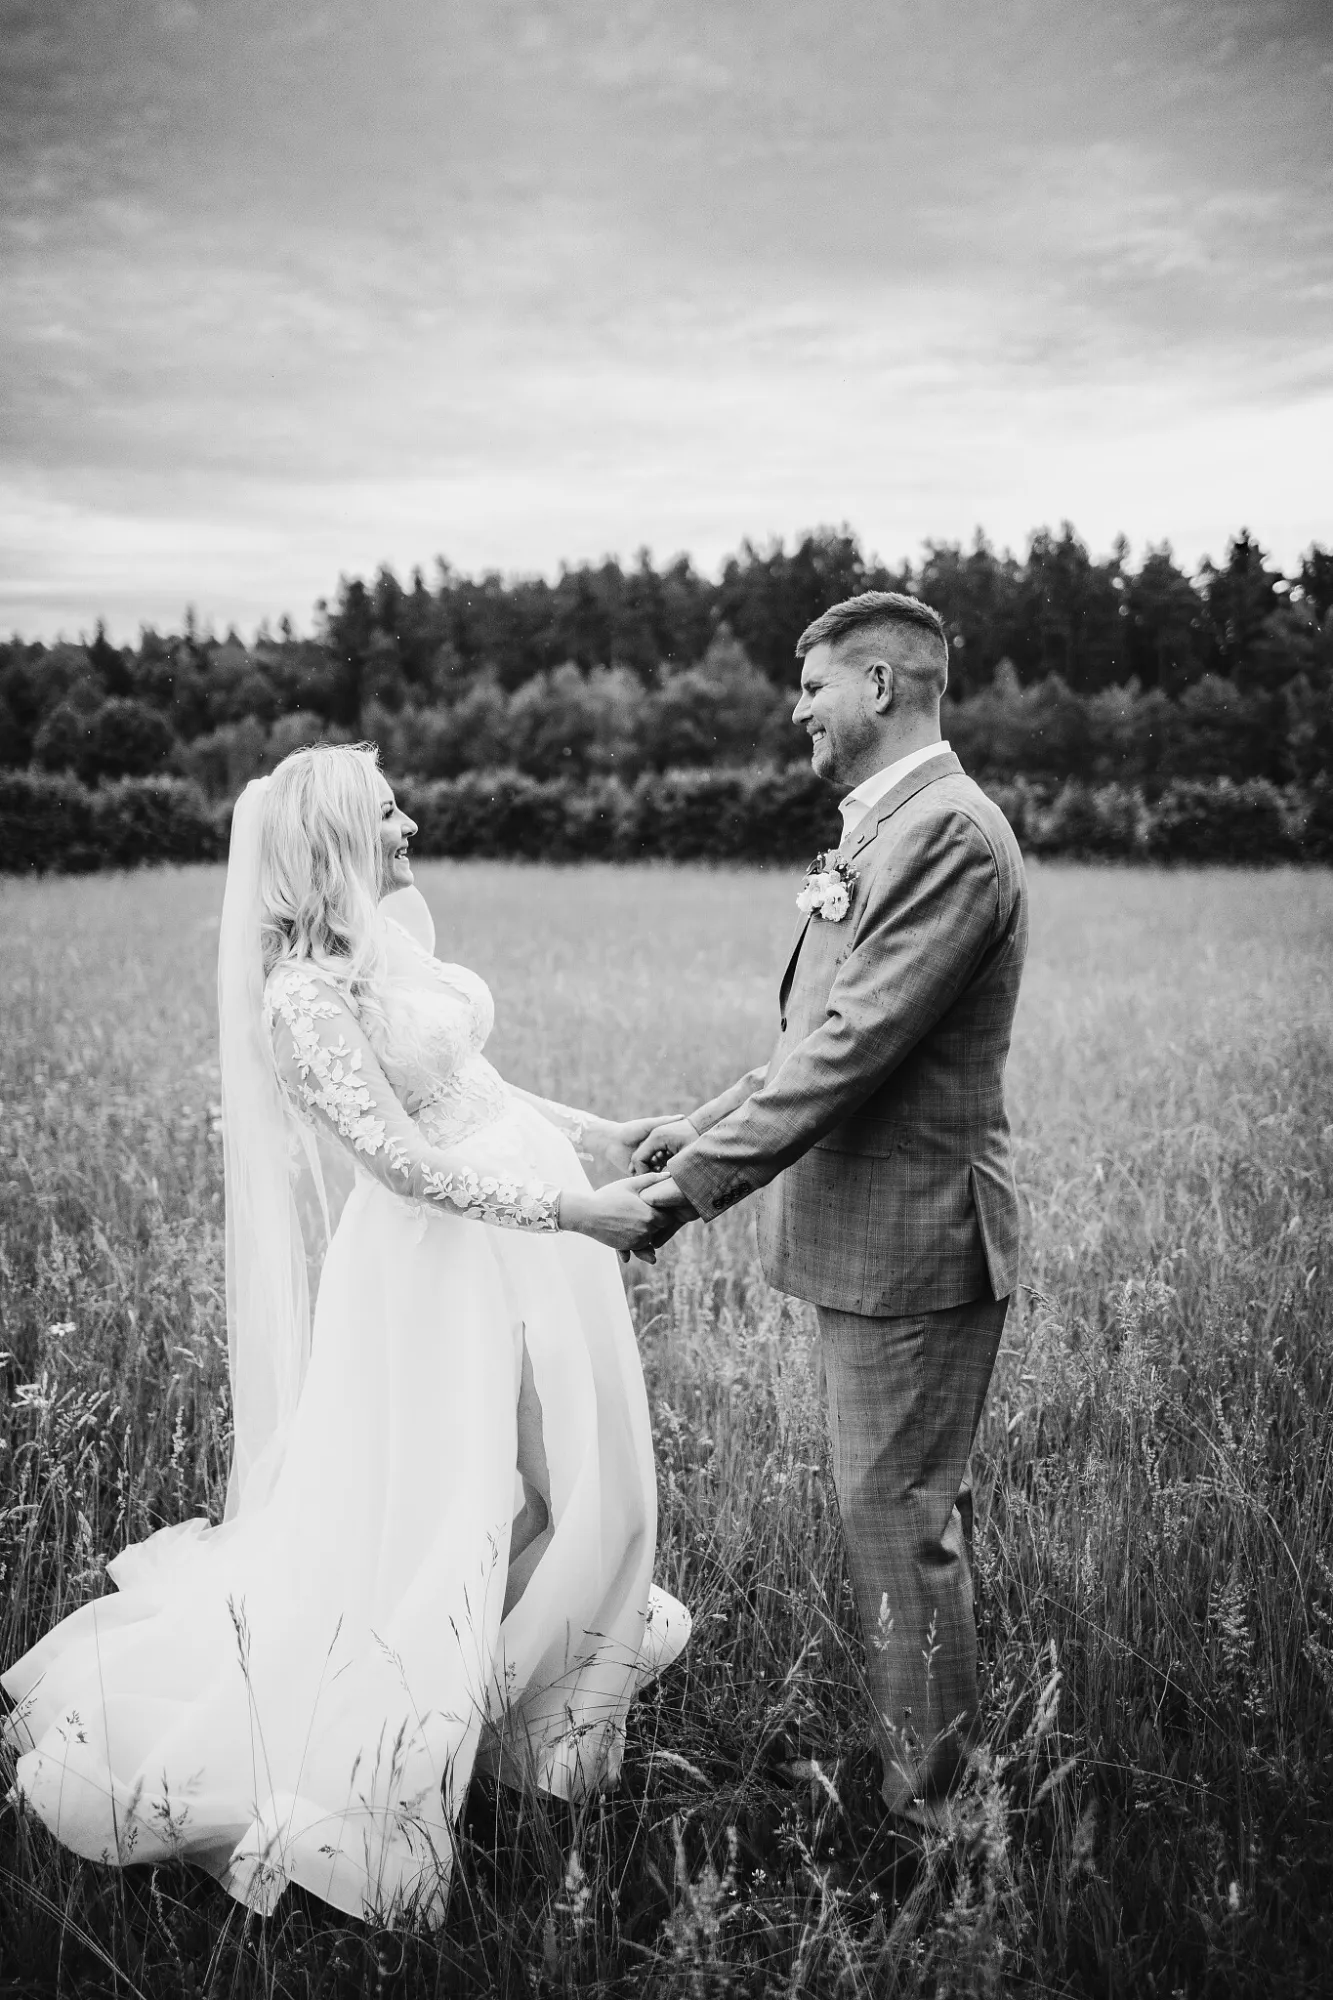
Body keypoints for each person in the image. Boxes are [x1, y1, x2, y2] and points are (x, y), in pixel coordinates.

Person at [2, 744, 690, 1923]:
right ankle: (404, 1750)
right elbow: (403, 1162)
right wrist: (576, 1209)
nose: (409, 823)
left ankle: (530, 1730)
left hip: (527, 1244)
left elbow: (473, 1086)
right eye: (387, 810)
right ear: (332, 838)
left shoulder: (384, 945)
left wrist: (603, 1135)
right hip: (441, 1272)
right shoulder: (301, 1001)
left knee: (579, 1481)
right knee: (468, 1502)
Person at [629, 590, 1028, 1832]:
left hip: (916, 1238)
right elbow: (816, 1035)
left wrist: (685, 1189)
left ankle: (933, 1823)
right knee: (899, 1517)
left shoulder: (948, 834)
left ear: (880, 686)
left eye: (811, 686)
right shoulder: (891, 826)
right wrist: (697, 1123)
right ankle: (928, 1775)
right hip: (879, 1238)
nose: (796, 710)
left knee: (899, 1524)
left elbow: (853, 1045)